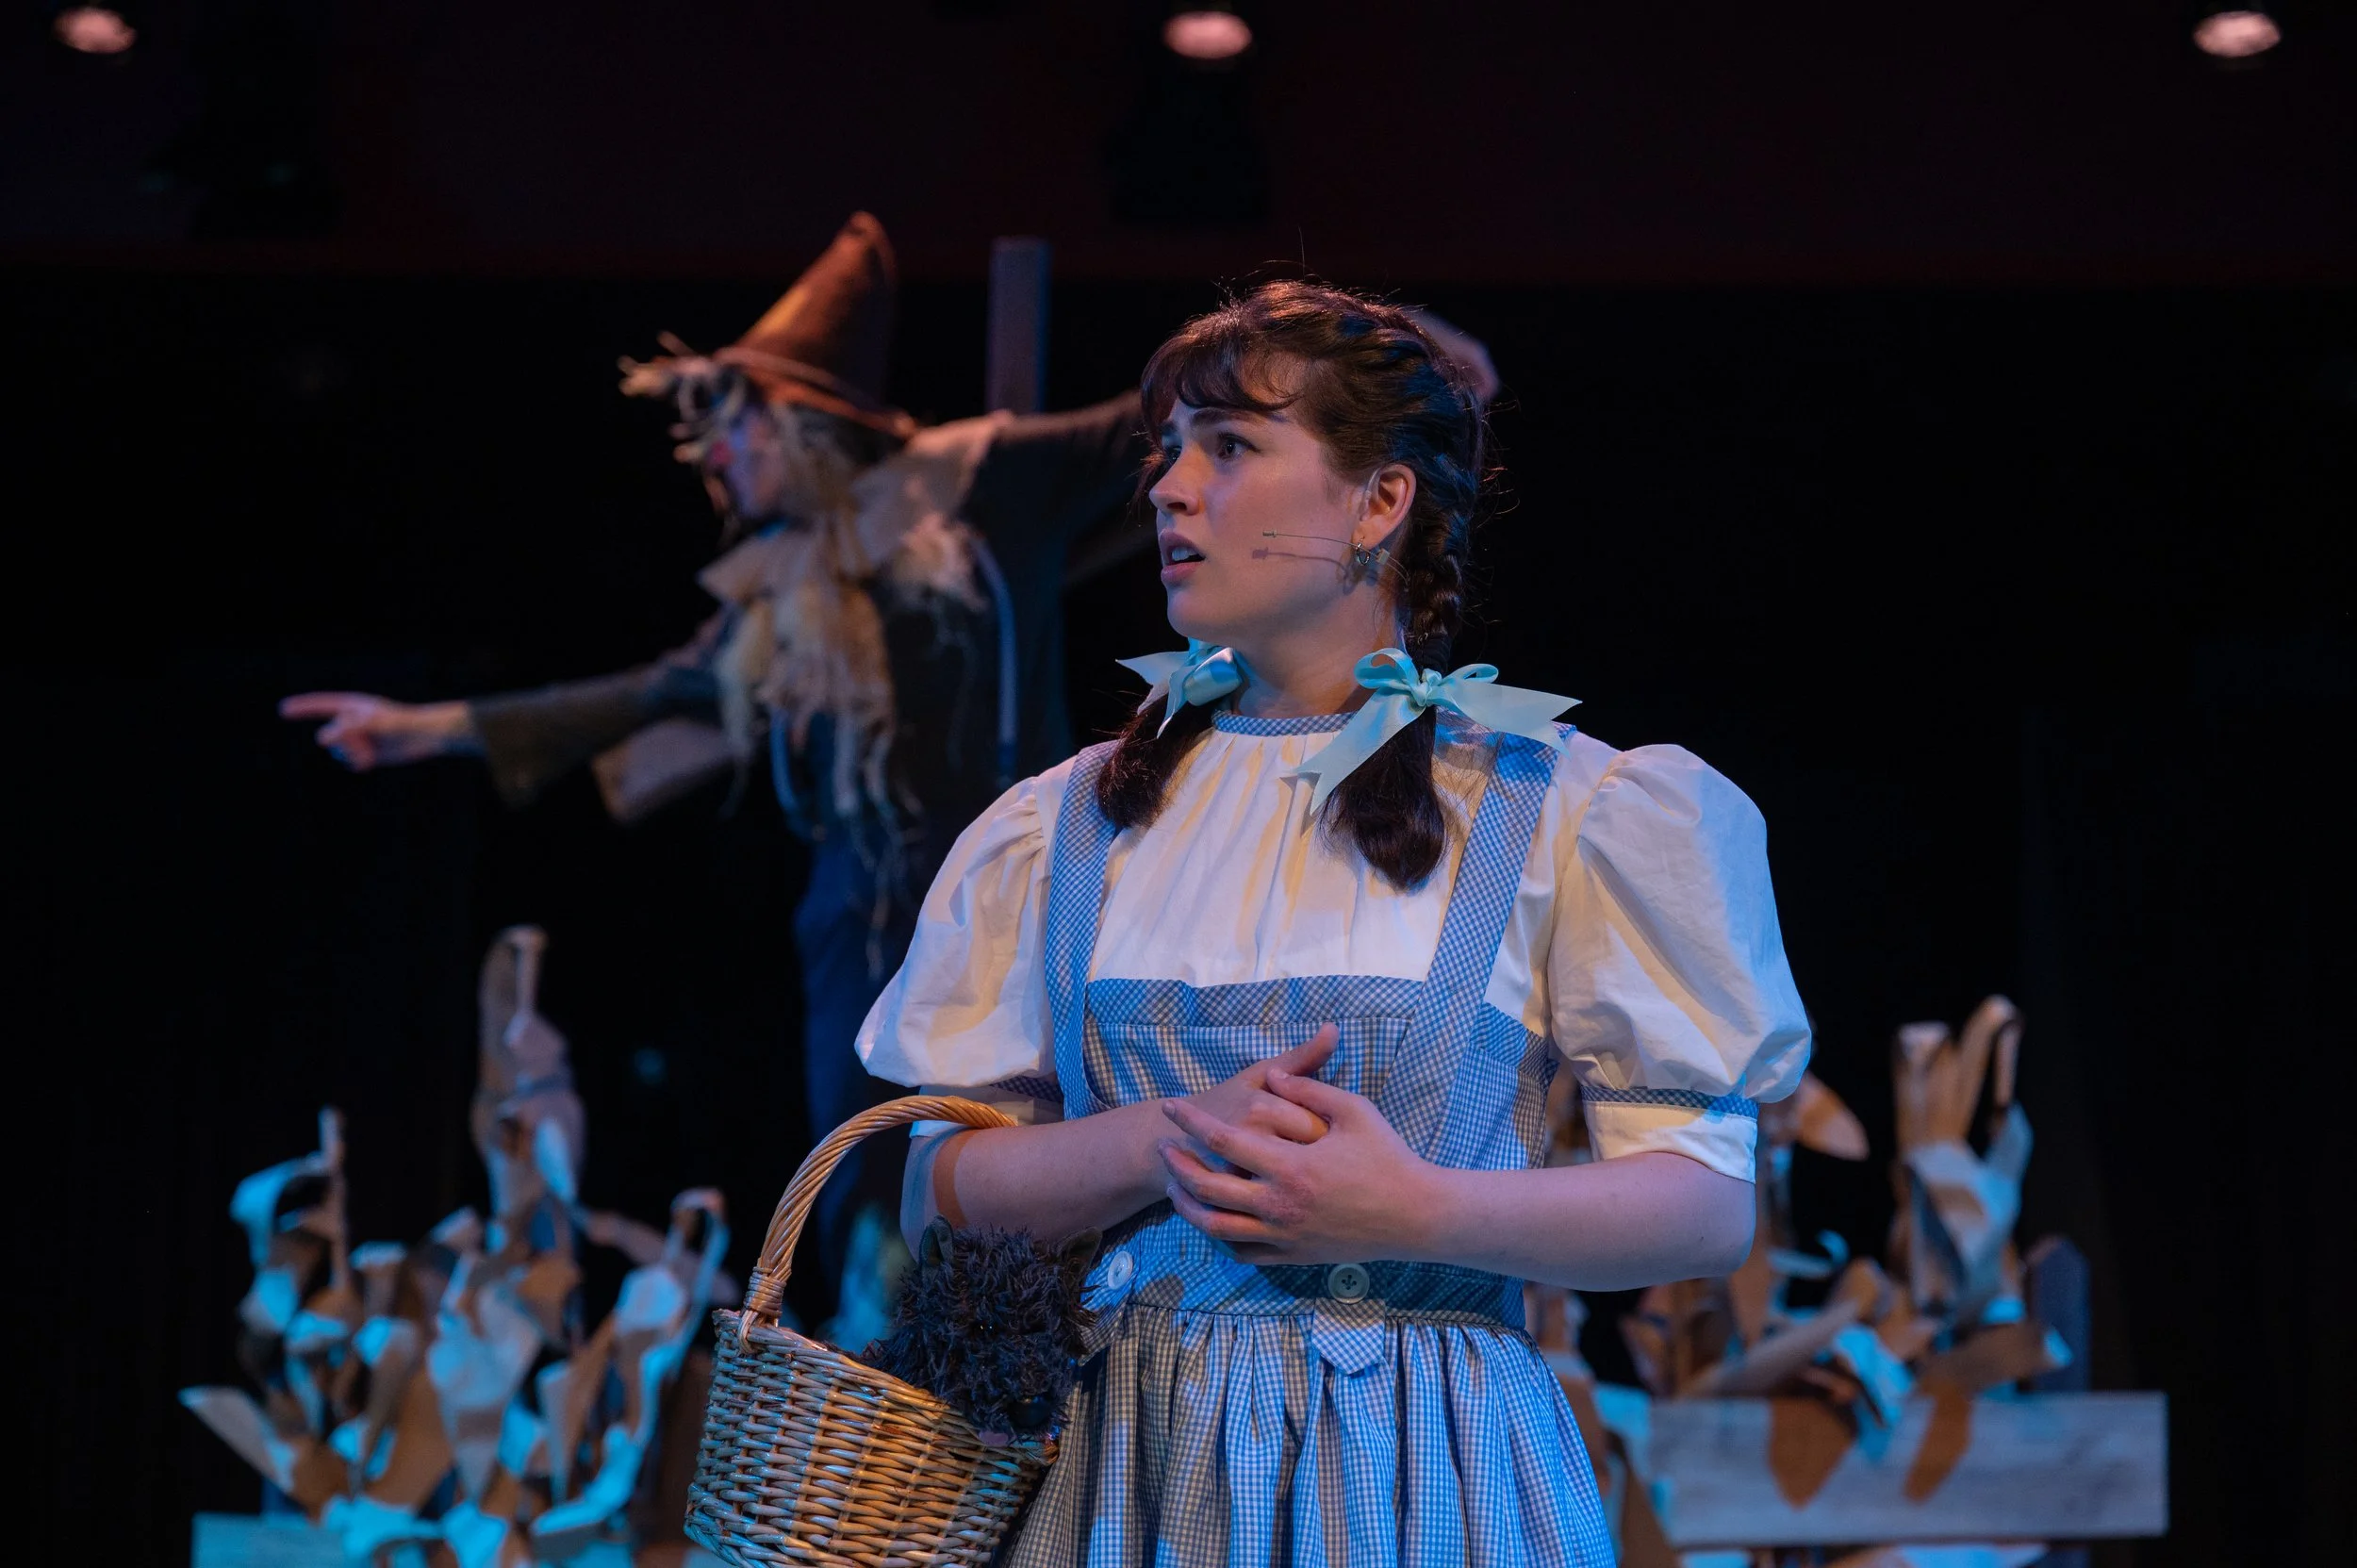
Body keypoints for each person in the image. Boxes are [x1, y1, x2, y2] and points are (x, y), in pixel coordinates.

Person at [857, 280, 1810, 1563]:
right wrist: (1167, 1135)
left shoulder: (1561, 806)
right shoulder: (1062, 823)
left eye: (1229, 447)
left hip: (1431, 1476)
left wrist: (1418, 1210)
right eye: (1168, 451)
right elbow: (940, 1197)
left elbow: (1702, 1203)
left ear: (1378, 501)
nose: (1169, 489)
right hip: (1124, 1476)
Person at [279, 213, 1157, 1326]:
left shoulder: (981, 483)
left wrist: (1323, 354)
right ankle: (872, 1399)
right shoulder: (784, 588)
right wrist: (429, 726)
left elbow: (1154, 419)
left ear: (795, 422)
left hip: (1002, 906)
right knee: (866, 1211)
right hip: (858, 931)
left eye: (732, 432)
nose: (714, 460)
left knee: (1013, 1180)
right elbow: (643, 693)